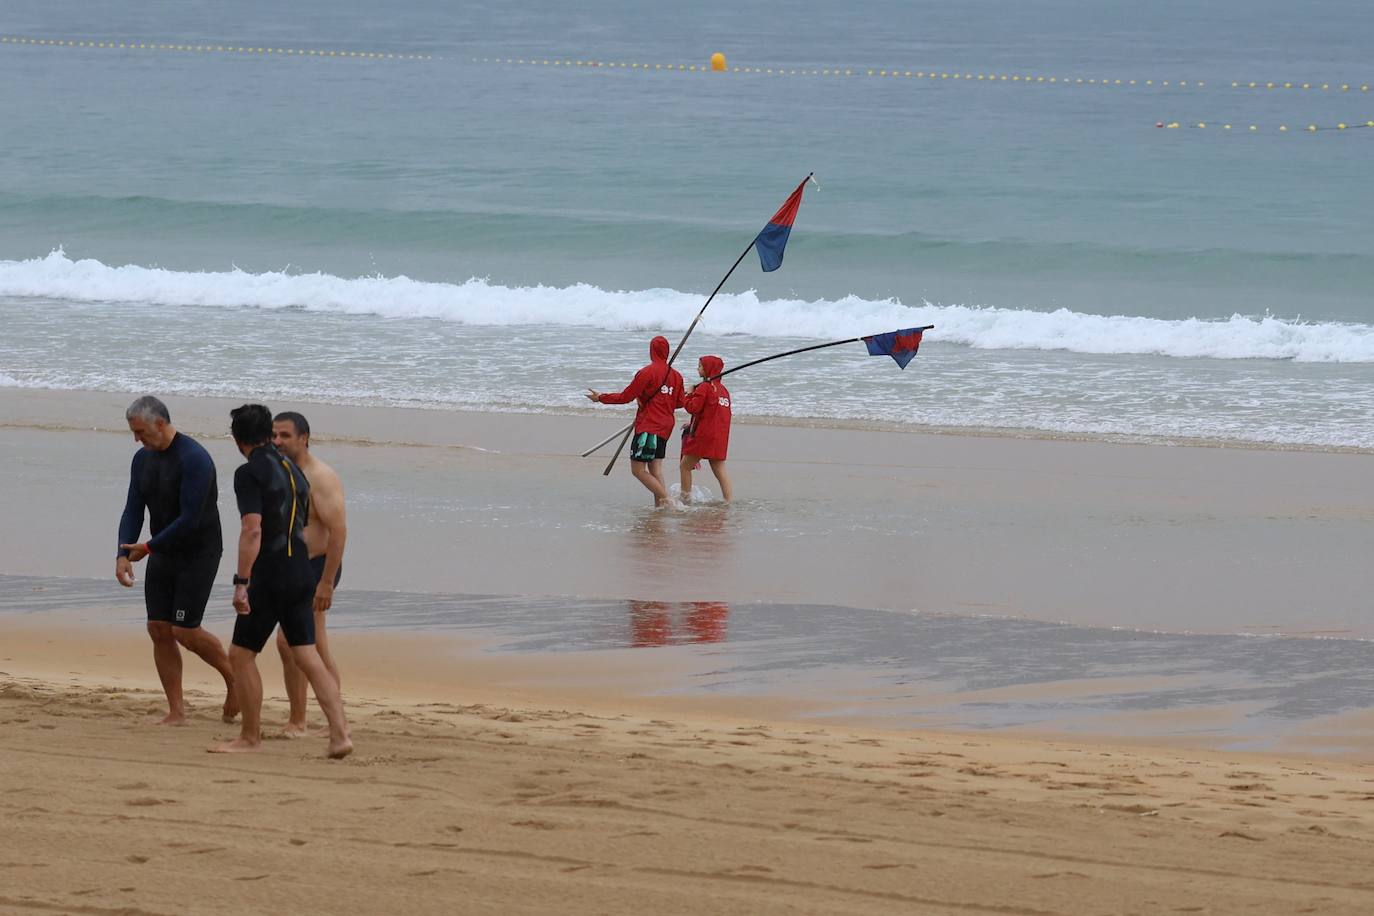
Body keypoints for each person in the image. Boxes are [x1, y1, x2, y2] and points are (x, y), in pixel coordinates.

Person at [212, 404, 351, 759]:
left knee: (241, 655)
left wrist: (241, 581)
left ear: (236, 439)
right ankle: (340, 735)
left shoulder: (249, 473)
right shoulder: (294, 469)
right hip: (302, 571)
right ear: (266, 434)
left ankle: (249, 737)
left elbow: (252, 528)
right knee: (307, 653)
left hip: (271, 574)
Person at [115, 395, 237, 725]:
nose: (137, 439)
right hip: (161, 550)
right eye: (133, 432)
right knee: (158, 628)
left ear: (160, 423)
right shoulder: (142, 460)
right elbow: (132, 509)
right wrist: (122, 554)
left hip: (198, 551)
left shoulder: (195, 459)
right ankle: (177, 710)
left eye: (140, 432)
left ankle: (234, 678)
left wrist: (149, 548)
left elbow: (190, 519)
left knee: (185, 630)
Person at [271, 411, 346, 737]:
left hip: (318, 567)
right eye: (274, 435)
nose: (278, 442)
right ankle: (299, 719)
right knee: (290, 645)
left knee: (306, 644)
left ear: (304, 438)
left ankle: (328, 722)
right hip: (291, 566)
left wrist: (326, 583)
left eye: (285, 436)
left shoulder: (321, 476)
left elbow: (339, 532)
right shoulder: (280, 472)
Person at [585, 335, 684, 507]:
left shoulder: (647, 372)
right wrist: (648, 399)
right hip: (665, 426)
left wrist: (601, 397)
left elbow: (626, 397)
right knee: (655, 469)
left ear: (651, 351)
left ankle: (667, 500)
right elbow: (680, 402)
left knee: (638, 470)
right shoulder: (676, 376)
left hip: (649, 426)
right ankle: (659, 507)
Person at [679, 355, 733, 503]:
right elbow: (712, 414)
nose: (698, 368)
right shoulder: (724, 391)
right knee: (719, 469)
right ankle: (728, 501)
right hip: (720, 436)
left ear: (708, 369)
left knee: (685, 466)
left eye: (701, 366)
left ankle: (685, 500)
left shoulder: (704, 387)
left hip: (704, 436)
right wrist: (692, 425)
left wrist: (689, 394)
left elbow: (693, 408)